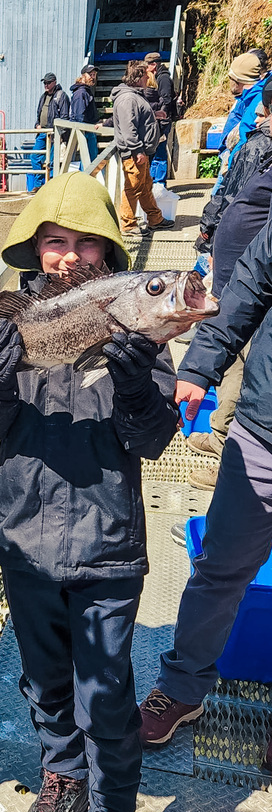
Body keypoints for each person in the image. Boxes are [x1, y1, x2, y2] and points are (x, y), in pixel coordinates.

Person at [0, 172, 178, 812]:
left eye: (85, 242)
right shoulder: (15, 320)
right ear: (36, 249)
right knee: (44, 680)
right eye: (55, 241)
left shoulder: (137, 323)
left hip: (108, 550)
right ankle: (61, 776)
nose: (68, 255)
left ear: (108, 255)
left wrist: (138, 389)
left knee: (107, 696)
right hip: (23, 541)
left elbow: (153, 440)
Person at [139, 212, 272, 750]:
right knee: (219, 568)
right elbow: (247, 288)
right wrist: (198, 368)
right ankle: (182, 688)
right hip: (263, 431)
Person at [180, 79, 272, 491]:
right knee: (233, 360)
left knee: (246, 366)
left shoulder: (260, 146)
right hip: (237, 274)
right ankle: (222, 436)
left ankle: (224, 446)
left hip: (244, 284)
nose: (257, 116)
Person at [111, 60, 174, 239]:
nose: (148, 78)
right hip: (134, 153)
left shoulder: (133, 96)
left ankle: (155, 218)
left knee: (145, 186)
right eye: (146, 75)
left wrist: (154, 115)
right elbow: (128, 127)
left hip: (141, 151)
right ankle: (128, 224)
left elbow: (136, 118)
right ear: (138, 78)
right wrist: (137, 150)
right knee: (133, 188)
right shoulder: (127, 98)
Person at [27, 72, 70, 192]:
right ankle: (39, 184)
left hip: (55, 133)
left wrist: (60, 133)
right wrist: (37, 125)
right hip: (42, 133)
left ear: (54, 82)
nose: (46, 85)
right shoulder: (43, 97)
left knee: (52, 160)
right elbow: (39, 114)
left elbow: (65, 116)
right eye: (44, 82)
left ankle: (51, 184)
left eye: (48, 83)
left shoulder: (61, 96)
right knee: (34, 156)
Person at [143, 53, 174, 185]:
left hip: (163, 121)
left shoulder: (163, 78)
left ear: (154, 65)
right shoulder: (160, 76)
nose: (145, 68)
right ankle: (154, 181)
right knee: (156, 151)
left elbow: (166, 99)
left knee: (160, 151)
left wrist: (162, 116)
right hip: (160, 120)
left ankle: (159, 183)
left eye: (147, 65)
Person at [69, 64, 99, 164]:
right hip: (86, 130)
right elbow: (78, 115)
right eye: (90, 74)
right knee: (89, 161)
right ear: (83, 76)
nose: (92, 77)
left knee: (90, 161)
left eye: (94, 74)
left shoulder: (86, 91)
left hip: (89, 129)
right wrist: (82, 131)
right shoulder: (81, 92)